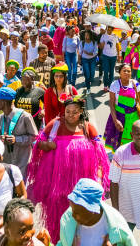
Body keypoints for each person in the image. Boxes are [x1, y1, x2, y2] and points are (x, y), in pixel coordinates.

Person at [27, 95, 110, 243]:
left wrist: (98, 177)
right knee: (60, 222)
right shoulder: (55, 124)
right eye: (68, 111)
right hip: (57, 186)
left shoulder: (87, 127)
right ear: (63, 111)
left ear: (81, 112)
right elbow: (39, 144)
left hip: (81, 186)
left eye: (75, 111)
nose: (71, 115)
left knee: (81, 221)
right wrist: (48, 146)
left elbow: (100, 154)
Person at [56, 178, 137, 246]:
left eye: (78, 213)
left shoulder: (117, 226)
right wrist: (48, 243)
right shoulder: (68, 221)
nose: (73, 215)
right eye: (72, 209)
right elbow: (62, 243)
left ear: (93, 210)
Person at [0, 87, 38, 177]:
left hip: (22, 163)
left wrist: (17, 139)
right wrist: (0, 140)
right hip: (6, 163)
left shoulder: (25, 117)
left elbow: (34, 137)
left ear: (3, 102)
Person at [104, 63, 140, 152]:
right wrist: (115, 121)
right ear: (119, 73)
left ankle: (131, 156)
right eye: (124, 71)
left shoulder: (135, 84)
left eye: (129, 71)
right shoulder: (114, 85)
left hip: (133, 117)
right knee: (118, 140)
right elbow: (112, 104)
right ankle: (119, 157)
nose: (127, 73)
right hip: (119, 116)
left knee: (134, 138)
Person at [99, 25, 121, 91]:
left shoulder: (115, 36)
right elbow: (101, 47)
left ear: (112, 30)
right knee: (105, 71)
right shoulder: (103, 36)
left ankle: (110, 86)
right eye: (108, 29)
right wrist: (101, 45)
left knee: (111, 71)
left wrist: (119, 55)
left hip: (113, 56)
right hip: (105, 55)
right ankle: (105, 85)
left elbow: (117, 46)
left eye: (110, 29)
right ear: (106, 29)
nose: (109, 30)